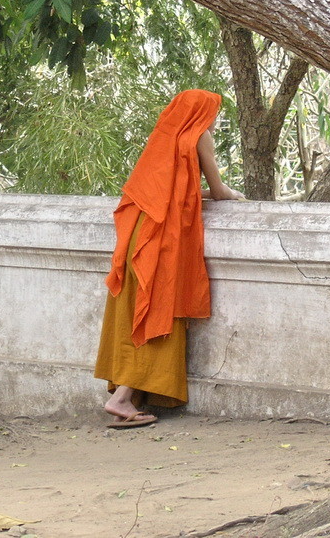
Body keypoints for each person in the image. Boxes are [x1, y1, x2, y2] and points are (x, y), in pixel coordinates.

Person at [94, 89, 244, 429]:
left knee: (137, 308)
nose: (216, 121)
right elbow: (219, 191)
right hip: (163, 238)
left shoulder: (164, 138)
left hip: (139, 233)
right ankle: (121, 398)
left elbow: (170, 189)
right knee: (157, 309)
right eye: (214, 112)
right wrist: (229, 193)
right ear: (203, 113)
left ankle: (126, 394)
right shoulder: (198, 135)